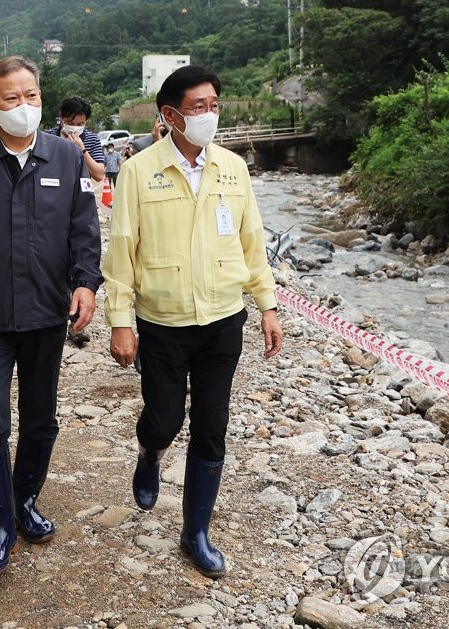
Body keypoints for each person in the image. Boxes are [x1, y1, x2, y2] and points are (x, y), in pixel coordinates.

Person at [102, 65, 283, 579]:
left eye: (214, 105)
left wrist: (266, 305)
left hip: (224, 319)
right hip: (162, 321)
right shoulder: (138, 171)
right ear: (170, 114)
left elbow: (252, 243)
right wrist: (120, 321)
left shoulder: (232, 168)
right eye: (198, 106)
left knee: (212, 427)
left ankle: (195, 532)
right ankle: (149, 453)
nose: (210, 114)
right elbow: (121, 253)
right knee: (163, 420)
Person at [0, 56, 102, 578]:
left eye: (32, 96)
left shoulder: (65, 157)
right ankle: (1, 524)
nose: (24, 107)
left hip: (47, 313)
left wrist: (85, 284)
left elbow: (83, 230)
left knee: (39, 415)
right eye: (12, 98)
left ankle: (25, 499)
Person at [47, 96, 106, 182]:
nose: (74, 128)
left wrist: (82, 150)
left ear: (86, 121)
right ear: (61, 117)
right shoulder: (48, 137)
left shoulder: (93, 139)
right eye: (69, 123)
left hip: (80, 192)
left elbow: (99, 175)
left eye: (79, 124)